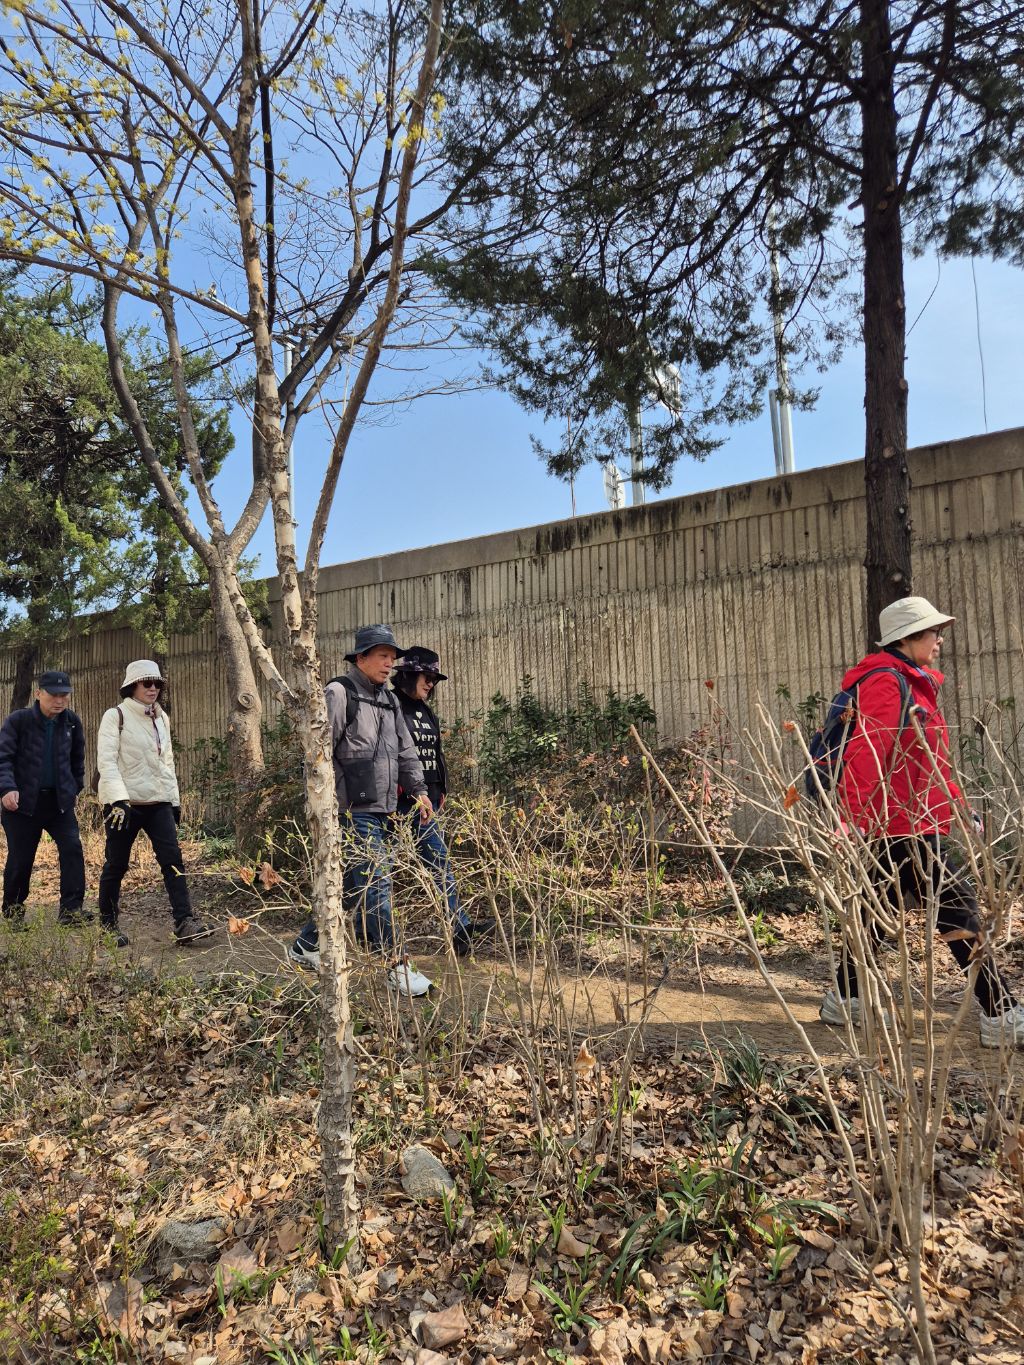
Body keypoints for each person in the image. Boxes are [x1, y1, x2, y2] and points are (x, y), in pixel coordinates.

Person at [820, 595, 1024, 1047]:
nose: (940, 639)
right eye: (934, 632)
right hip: (900, 824)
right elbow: (867, 753)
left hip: (915, 820)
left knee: (876, 913)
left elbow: (931, 759)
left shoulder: (914, 682)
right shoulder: (887, 682)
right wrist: (852, 819)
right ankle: (1000, 1013)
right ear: (909, 637)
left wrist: (958, 807)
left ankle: (845, 997)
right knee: (958, 908)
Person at [288, 625, 435, 996]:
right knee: (376, 882)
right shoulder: (339, 693)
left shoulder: (389, 701)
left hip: (384, 809)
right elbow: (318, 752)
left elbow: (405, 750)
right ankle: (395, 965)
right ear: (361, 657)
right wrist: (327, 805)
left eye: (392, 658)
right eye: (383, 656)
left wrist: (419, 790)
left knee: (354, 887)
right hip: (352, 810)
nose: (389, 664)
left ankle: (306, 944)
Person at [96, 659, 212, 947]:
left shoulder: (161, 717)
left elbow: (166, 763)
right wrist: (118, 799)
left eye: (158, 683)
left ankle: (185, 922)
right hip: (123, 805)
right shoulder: (115, 716)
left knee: (173, 861)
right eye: (147, 683)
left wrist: (174, 801)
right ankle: (108, 926)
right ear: (132, 685)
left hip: (158, 802)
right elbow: (106, 762)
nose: (153, 688)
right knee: (116, 865)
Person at [391, 646, 492, 956]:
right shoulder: (391, 704)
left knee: (439, 862)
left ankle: (459, 929)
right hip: (399, 803)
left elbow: (434, 752)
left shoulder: (425, 710)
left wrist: (440, 787)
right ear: (409, 675)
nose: (431, 683)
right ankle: (335, 932)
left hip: (427, 801)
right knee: (373, 869)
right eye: (426, 676)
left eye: (434, 679)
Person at [0, 670, 87, 929]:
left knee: (72, 849)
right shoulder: (19, 721)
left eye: (64, 695)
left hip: (58, 804)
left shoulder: (71, 722)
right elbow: (3, 758)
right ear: (39, 694)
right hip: (22, 805)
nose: (59, 701)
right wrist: (6, 788)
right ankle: (13, 913)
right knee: (21, 858)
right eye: (53, 695)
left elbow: (77, 761)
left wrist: (74, 789)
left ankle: (71, 911)